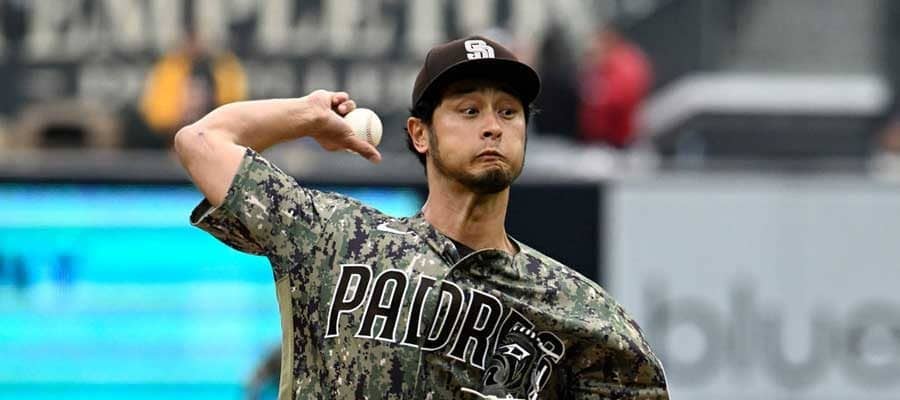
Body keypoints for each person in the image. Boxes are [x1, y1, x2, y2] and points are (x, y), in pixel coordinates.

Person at [175, 35, 668, 400]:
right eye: (469, 110)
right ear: (420, 134)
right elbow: (200, 141)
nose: (493, 127)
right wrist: (305, 116)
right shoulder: (337, 237)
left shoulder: (576, 308)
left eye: (508, 112)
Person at [578, 23, 652, 149]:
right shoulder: (600, 65)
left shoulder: (623, 62)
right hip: (603, 139)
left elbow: (623, 96)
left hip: (621, 138)